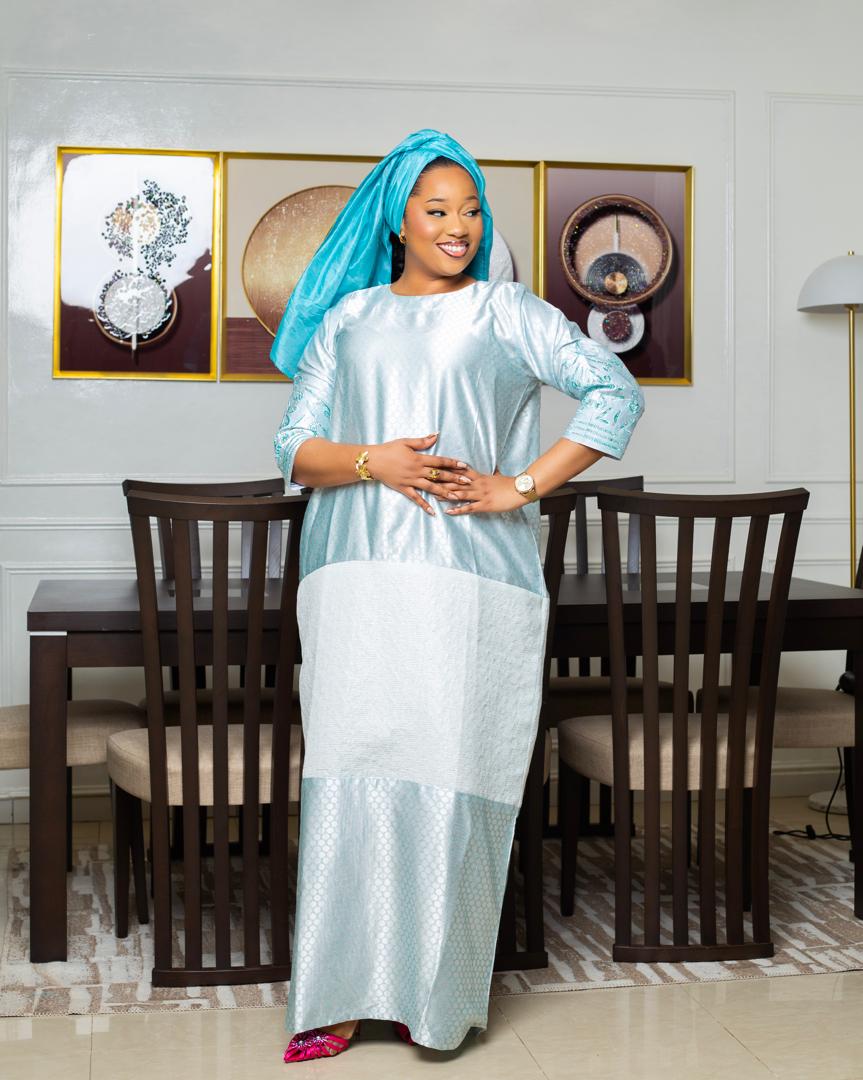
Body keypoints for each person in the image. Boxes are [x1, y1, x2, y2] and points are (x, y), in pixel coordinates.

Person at [272, 129, 644, 1062]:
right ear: (396, 222)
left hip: (469, 582)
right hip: (352, 575)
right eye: (436, 209)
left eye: (471, 209)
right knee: (350, 770)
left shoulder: (503, 312)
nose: (458, 225)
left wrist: (519, 485)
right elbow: (293, 449)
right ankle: (336, 995)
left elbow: (612, 392)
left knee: (450, 779)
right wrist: (375, 461)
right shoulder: (348, 318)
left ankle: (430, 1001)